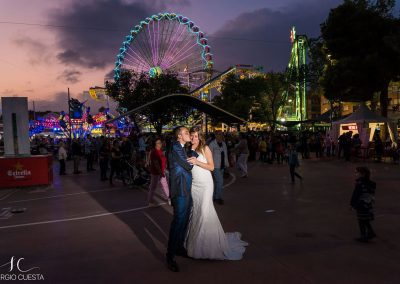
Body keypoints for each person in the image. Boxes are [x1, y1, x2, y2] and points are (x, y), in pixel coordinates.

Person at [185, 127, 248, 260]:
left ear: (200, 137)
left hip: (205, 184)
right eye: (192, 136)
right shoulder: (188, 149)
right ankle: (196, 244)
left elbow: (211, 167)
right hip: (194, 185)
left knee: (204, 211)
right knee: (196, 212)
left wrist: (197, 161)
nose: (194, 138)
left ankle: (207, 245)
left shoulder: (205, 148)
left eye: (196, 136)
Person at [166, 126, 193, 272]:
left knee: (184, 220)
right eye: (186, 133)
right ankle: (170, 256)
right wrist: (194, 152)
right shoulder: (176, 146)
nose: (189, 134)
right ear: (179, 136)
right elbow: (188, 166)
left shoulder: (181, 147)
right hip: (180, 190)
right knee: (178, 222)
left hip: (186, 189)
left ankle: (179, 247)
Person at [350, 167, 376, 242]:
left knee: (361, 220)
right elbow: (372, 194)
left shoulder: (360, 183)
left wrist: (352, 204)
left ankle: (363, 235)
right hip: (368, 204)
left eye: (357, 173)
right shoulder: (371, 183)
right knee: (365, 219)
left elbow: (356, 194)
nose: (356, 174)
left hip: (361, 204)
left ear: (363, 174)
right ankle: (370, 232)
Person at [208, 131, 229, 205]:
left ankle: (215, 196)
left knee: (218, 183)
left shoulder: (223, 143)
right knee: (220, 182)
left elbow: (225, 154)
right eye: (219, 135)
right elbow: (209, 156)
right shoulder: (212, 144)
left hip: (222, 165)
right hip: (215, 166)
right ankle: (217, 197)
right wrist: (210, 166)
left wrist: (227, 164)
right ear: (216, 136)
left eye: (221, 134)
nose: (220, 136)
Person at [148, 138, 170, 206]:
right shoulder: (154, 152)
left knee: (165, 185)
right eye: (158, 143)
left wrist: (164, 168)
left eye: (160, 142)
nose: (160, 144)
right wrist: (160, 172)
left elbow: (163, 160)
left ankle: (169, 199)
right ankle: (150, 202)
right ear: (155, 144)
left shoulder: (160, 151)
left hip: (161, 171)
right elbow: (156, 163)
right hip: (156, 172)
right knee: (153, 187)